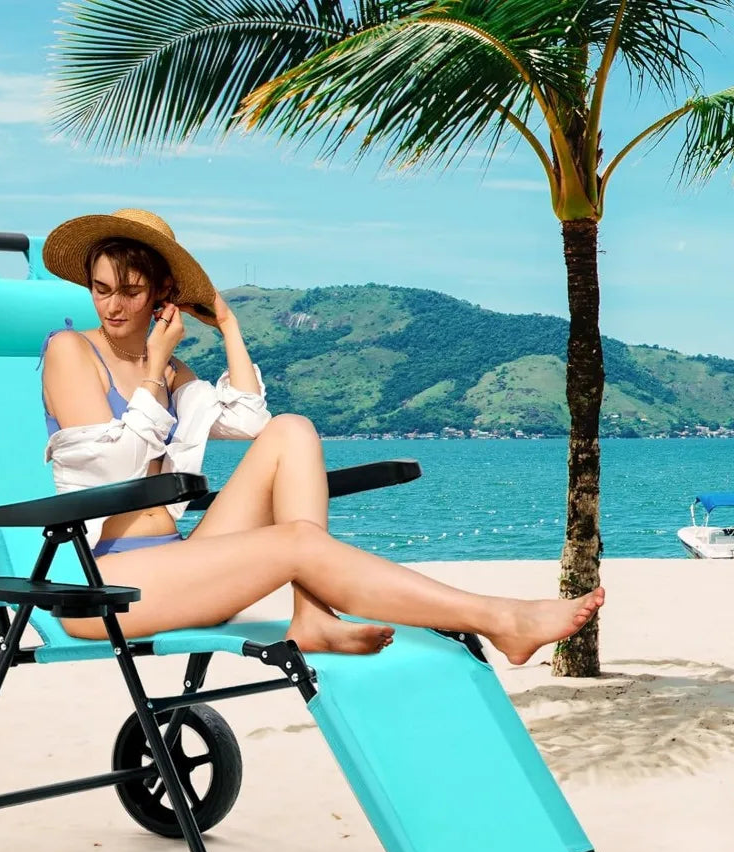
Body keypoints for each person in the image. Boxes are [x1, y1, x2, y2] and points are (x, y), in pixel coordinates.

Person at [40, 209, 604, 663]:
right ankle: (499, 618)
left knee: (293, 430)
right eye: (102, 288)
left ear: (163, 294)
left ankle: (312, 613)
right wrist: (152, 370)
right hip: (101, 583)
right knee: (298, 543)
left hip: (175, 566)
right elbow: (114, 470)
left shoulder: (168, 368)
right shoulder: (72, 351)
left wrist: (228, 324)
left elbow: (252, 423)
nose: (113, 305)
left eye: (132, 291)